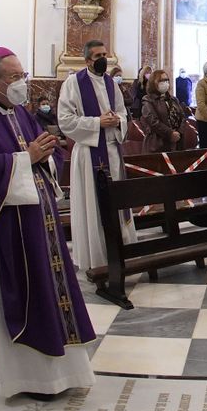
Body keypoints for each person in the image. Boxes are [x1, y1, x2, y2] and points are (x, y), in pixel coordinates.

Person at [0, 47, 94, 399]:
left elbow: (44, 150)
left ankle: (66, 372)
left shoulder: (21, 112)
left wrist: (46, 154)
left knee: (54, 294)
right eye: (15, 77)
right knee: (27, 297)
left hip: (41, 222)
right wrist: (26, 158)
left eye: (23, 76)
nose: (22, 84)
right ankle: (28, 378)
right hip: (8, 230)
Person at [58, 39, 132, 273]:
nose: (103, 59)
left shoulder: (112, 83)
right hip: (89, 152)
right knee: (94, 206)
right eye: (98, 55)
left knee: (116, 203)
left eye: (105, 55)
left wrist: (117, 121)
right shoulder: (73, 83)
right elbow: (65, 120)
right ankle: (96, 258)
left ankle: (121, 251)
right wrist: (97, 122)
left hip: (112, 151)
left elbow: (122, 112)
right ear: (87, 59)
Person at [142, 68, 186, 153]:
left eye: (166, 80)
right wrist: (170, 133)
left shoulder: (173, 99)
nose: (165, 83)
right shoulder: (148, 100)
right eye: (161, 80)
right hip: (158, 143)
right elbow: (153, 121)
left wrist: (179, 133)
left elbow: (182, 116)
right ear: (153, 82)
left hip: (177, 142)